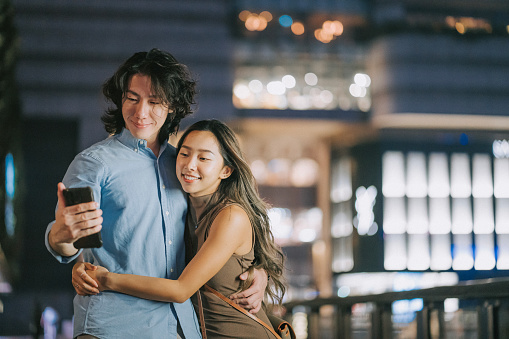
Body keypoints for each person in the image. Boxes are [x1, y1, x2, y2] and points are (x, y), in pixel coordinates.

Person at [45, 49, 267, 339]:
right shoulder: (95, 163)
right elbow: (70, 241)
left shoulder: (183, 167)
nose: (140, 112)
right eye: (132, 98)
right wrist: (61, 237)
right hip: (113, 327)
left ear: (172, 106)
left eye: (154, 101)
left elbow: (225, 230)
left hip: (180, 328)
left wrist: (259, 271)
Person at [73, 119, 286, 339]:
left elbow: (181, 290)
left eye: (203, 158)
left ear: (226, 170)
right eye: (184, 154)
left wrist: (106, 279)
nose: (190, 164)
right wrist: (80, 267)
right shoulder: (183, 210)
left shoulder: (230, 216)